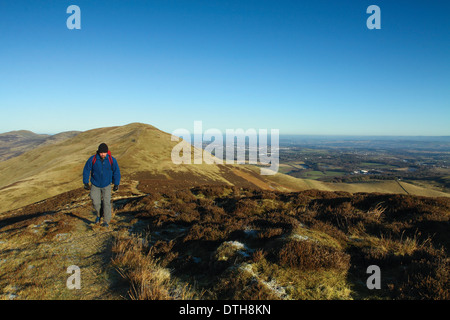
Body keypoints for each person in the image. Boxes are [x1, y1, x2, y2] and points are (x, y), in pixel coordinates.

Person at [83, 143, 121, 227]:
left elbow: (116, 172)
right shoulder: (92, 159)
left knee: (106, 202)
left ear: (107, 152)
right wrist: (85, 182)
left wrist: (116, 184)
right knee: (95, 202)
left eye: (104, 152)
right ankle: (98, 215)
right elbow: (86, 170)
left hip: (106, 184)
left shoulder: (112, 160)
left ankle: (106, 221)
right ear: (98, 152)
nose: (103, 154)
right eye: (101, 152)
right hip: (95, 184)